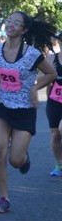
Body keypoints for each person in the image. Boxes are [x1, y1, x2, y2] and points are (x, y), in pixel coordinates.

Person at [0, 12, 56, 214]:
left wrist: (34, 88)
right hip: (2, 106)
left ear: (24, 30)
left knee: (15, 160)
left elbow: (51, 73)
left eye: (16, 23)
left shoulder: (32, 54)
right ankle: (4, 198)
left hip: (25, 110)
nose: (10, 25)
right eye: (9, 21)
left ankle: (23, 157)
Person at [45, 36, 62, 176]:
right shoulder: (51, 59)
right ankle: (59, 164)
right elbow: (39, 79)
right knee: (55, 134)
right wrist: (51, 74)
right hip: (54, 101)